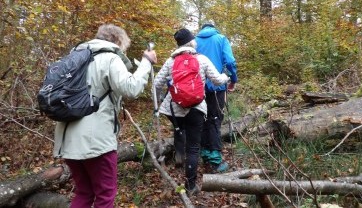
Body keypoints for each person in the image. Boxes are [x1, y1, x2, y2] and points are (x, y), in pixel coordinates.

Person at [52, 24, 157, 208]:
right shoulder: (109, 57)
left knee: (84, 193)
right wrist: (146, 62)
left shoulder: (73, 57)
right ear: (118, 41)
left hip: (66, 137)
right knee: (105, 195)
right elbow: (131, 88)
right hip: (95, 141)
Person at [153, 28, 230, 196]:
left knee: (181, 132)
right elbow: (217, 80)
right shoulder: (201, 59)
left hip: (174, 109)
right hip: (196, 107)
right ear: (191, 41)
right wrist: (226, 77)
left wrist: (158, 101)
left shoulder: (171, 61)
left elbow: (156, 83)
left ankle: (179, 155)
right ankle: (190, 186)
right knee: (194, 148)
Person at [195, 23, 238, 173]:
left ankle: (205, 154)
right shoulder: (221, 39)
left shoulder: (194, 41)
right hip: (217, 87)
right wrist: (233, 79)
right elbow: (230, 61)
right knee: (214, 120)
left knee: (203, 120)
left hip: (198, 88)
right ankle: (215, 160)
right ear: (214, 28)